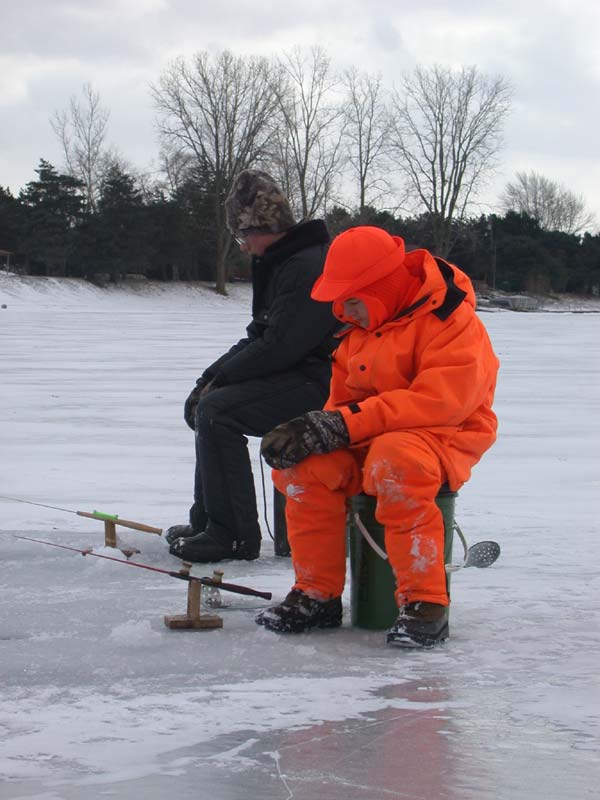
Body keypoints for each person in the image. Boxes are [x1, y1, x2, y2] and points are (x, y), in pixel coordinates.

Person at [258, 225, 499, 648]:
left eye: (351, 299)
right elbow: (344, 404)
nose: (345, 310)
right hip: (375, 434)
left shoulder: (453, 321)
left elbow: (440, 403)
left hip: (443, 434)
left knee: (395, 461)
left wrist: (343, 424)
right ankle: (317, 594)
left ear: (383, 286)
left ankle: (426, 604)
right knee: (306, 467)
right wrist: (320, 430)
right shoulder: (360, 330)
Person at [166, 170, 338, 563]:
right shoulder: (286, 260)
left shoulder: (307, 265)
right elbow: (261, 335)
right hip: (300, 371)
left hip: (325, 381)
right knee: (210, 402)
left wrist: (218, 383)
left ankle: (231, 535)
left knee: (218, 410)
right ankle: (210, 521)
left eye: (243, 236)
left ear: (263, 226)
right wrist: (210, 377)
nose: (244, 247)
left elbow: (280, 346)